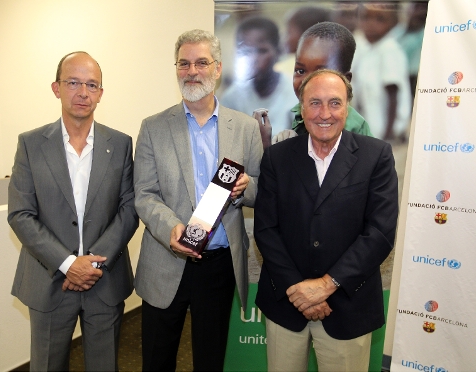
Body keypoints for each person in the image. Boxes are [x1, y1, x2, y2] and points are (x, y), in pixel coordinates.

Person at [133, 29, 263, 371]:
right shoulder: (153, 127)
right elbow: (144, 194)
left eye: (201, 62)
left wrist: (246, 187)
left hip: (219, 265)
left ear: (217, 68)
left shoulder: (246, 128)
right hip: (165, 259)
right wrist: (171, 229)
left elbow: (261, 189)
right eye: (184, 63)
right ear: (176, 68)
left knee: (210, 361)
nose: (192, 71)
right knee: (157, 361)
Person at [254, 69, 398, 371]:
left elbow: (380, 233)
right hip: (286, 303)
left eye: (335, 103)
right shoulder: (277, 158)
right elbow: (266, 230)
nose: (325, 114)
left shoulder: (376, 155)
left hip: (348, 305)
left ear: (347, 107)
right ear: (302, 107)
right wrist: (299, 289)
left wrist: (327, 284)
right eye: (315, 103)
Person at [8, 51, 138, 371]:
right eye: (73, 83)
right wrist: (68, 264)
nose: (83, 92)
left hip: (103, 280)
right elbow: (21, 214)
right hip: (49, 281)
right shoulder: (30, 144)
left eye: (92, 85)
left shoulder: (121, 144)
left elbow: (129, 209)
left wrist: (90, 262)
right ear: (56, 88)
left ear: (101, 94)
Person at [256, 21, 373, 149]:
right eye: (300, 71)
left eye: (320, 73)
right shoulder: (301, 113)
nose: (307, 82)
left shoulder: (348, 125)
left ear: (345, 80)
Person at [220, 16, 296, 137]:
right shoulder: (231, 99)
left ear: (278, 52)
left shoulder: (295, 94)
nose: (253, 59)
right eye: (246, 52)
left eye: (262, 51)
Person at [351, 3, 411, 140]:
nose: (371, 24)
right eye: (365, 18)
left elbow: (393, 94)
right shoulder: (367, 49)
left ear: (394, 23)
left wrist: (388, 134)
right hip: (371, 129)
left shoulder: (389, 50)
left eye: (380, 19)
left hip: (386, 130)